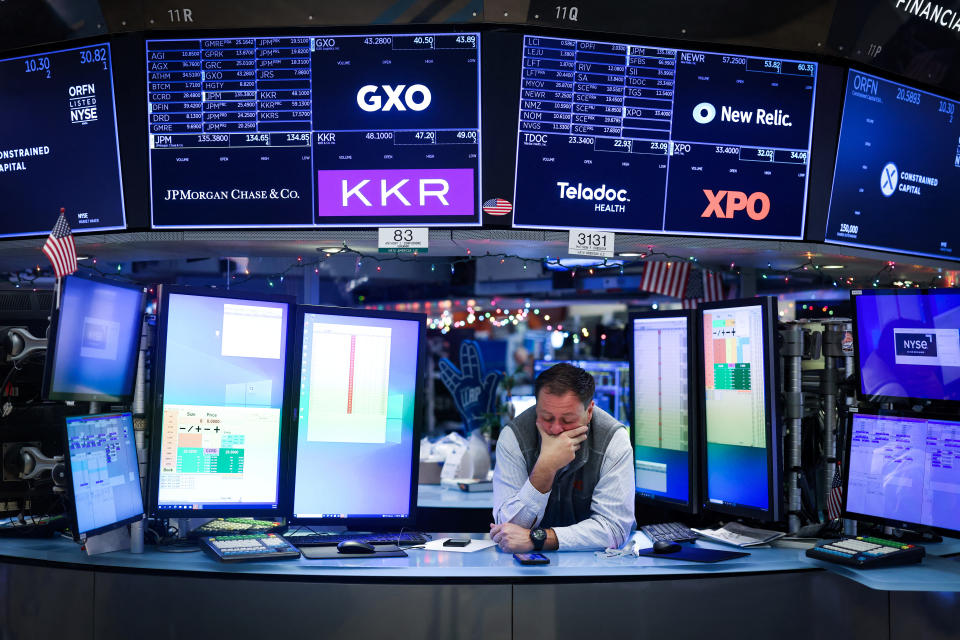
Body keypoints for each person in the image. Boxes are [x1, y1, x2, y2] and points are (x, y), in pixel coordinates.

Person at [490, 362, 635, 552]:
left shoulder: (613, 439)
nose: (556, 429)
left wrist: (539, 539)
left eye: (567, 420)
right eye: (546, 417)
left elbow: (613, 529)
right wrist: (545, 468)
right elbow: (508, 529)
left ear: (589, 412)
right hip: (524, 569)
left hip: (597, 569)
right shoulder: (514, 436)